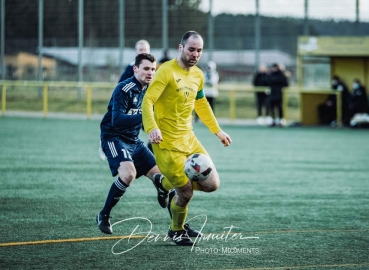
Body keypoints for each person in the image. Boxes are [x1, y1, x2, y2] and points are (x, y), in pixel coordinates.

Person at [142, 31, 232, 246]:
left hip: (189, 140)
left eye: (199, 50)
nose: (195, 54)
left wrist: (217, 131)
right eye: (191, 49)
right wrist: (152, 128)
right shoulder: (166, 71)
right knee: (186, 191)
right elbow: (148, 101)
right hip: (166, 143)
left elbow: (201, 103)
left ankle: (164, 183)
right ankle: (176, 230)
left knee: (212, 184)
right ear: (181, 48)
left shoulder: (198, 75)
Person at [98, 39, 151, 161]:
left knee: (151, 126)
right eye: (140, 50)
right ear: (135, 51)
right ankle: (104, 145)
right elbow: (120, 86)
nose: (143, 52)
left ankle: (151, 147)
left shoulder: (151, 68)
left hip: (141, 105)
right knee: (117, 124)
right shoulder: (131, 68)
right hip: (128, 106)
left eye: (145, 50)